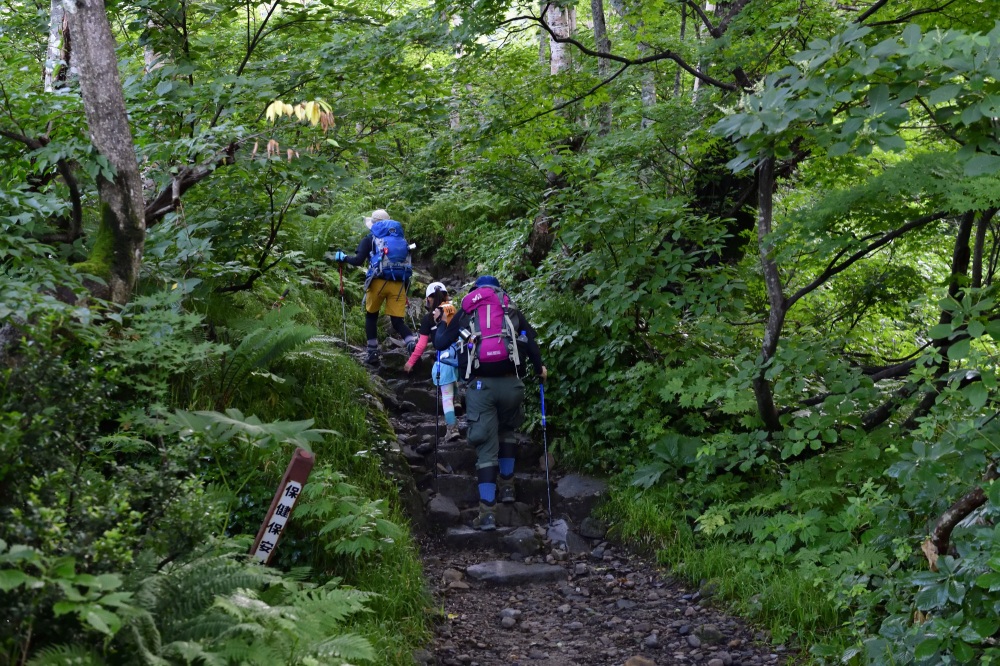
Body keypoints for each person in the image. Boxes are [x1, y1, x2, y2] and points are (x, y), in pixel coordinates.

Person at [434, 275, 547, 531]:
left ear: (475, 290)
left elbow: (440, 343)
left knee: (486, 446)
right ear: (497, 289)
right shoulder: (509, 306)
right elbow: (531, 342)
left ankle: (487, 514)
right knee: (507, 431)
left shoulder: (466, 309)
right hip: (511, 385)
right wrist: (540, 369)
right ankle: (508, 488)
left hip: (481, 386)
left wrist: (443, 321)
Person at [330, 209, 416, 366]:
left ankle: (373, 352)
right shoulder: (400, 239)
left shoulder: (369, 239)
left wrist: (343, 258)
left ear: (374, 224)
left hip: (377, 282)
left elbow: (357, 260)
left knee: (371, 317)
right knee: (397, 321)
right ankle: (412, 346)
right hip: (398, 283)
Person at [404, 282, 461, 449]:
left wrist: (410, 362)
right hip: (459, 358)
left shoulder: (428, 319)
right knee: (452, 381)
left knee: (446, 396)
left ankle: (452, 428)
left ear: (429, 298)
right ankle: (458, 399)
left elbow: (421, 345)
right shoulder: (452, 310)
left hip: (443, 360)